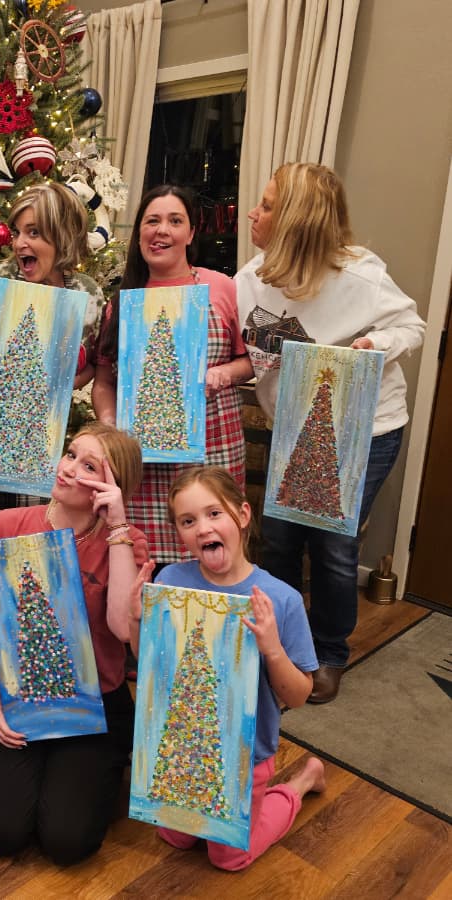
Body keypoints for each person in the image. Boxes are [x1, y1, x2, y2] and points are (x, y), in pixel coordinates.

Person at [236, 162, 425, 703]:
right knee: (279, 540)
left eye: (268, 205)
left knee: (334, 547)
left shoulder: (361, 277)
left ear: (297, 220)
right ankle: (280, 641)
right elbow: (253, 357)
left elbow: (412, 325)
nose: (255, 211)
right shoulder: (250, 280)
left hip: (366, 431)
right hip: (294, 430)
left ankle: (329, 651)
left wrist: (371, 347)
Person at [128, 466, 325, 871]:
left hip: (246, 757)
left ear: (243, 515)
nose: (202, 528)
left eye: (214, 513)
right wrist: (136, 623)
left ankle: (300, 783)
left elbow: (299, 696)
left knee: (228, 859)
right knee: (175, 838)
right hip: (183, 749)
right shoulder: (171, 581)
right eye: (188, 521)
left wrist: (271, 648)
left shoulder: (280, 599)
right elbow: (149, 665)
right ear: (179, 533)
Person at [0, 422, 148, 865]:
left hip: (96, 706)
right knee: (4, 833)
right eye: (70, 454)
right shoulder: (8, 525)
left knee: (67, 842)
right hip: (17, 698)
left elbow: (121, 630)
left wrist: (119, 527)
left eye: (88, 466)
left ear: (112, 486)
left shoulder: (127, 542)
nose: (68, 468)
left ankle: (98, 772)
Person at [93, 185, 252, 566]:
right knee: (147, 564)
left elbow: (248, 363)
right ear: (139, 233)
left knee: (214, 557)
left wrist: (224, 373)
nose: (162, 230)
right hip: (143, 463)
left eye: (174, 221)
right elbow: (103, 382)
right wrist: (112, 426)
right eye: (152, 221)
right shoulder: (121, 302)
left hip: (212, 449)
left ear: (191, 233)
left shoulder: (221, 288)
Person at [0, 181, 107, 523]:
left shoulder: (87, 296)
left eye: (33, 233)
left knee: (29, 528)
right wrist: (2, 374)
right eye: (17, 232)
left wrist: (57, 385)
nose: (19, 243)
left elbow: (90, 363)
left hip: (39, 433)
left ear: (62, 237)